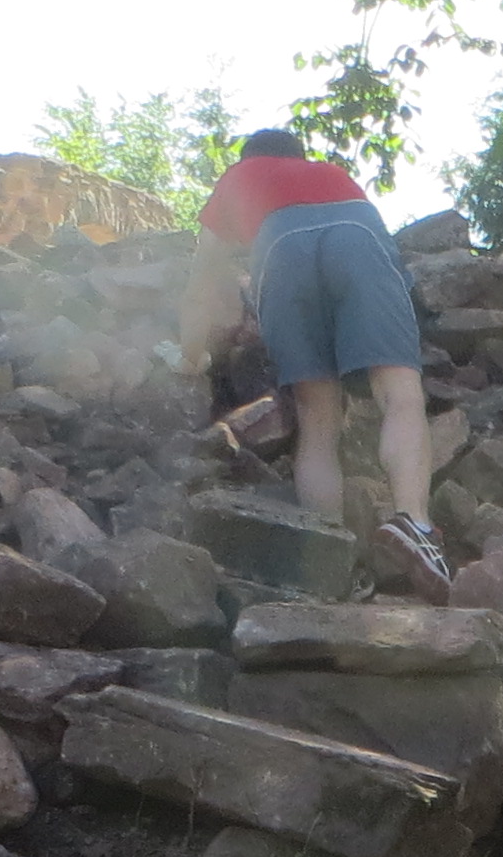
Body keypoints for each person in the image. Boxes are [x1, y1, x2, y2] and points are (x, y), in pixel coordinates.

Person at [175, 128, 453, 599]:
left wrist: (190, 356)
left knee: (317, 416)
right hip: (358, 240)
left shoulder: (239, 178)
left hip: (279, 250)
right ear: (298, 155)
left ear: (248, 158)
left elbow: (202, 282)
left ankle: (330, 558)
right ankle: (415, 523)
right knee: (399, 393)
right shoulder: (331, 174)